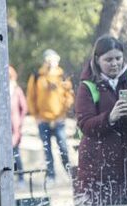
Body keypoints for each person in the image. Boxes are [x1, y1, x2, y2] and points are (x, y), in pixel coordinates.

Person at [74, 35, 127, 206]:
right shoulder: (87, 86)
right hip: (99, 168)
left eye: (118, 58)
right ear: (97, 60)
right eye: (108, 59)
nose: (114, 63)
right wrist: (110, 118)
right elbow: (85, 125)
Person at [26, 49, 75, 182]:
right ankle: (51, 175)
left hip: (59, 119)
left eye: (54, 59)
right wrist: (36, 116)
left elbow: (69, 95)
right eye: (49, 59)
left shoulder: (62, 76)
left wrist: (64, 111)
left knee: (63, 148)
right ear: (45, 60)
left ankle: (70, 174)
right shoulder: (37, 76)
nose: (51, 62)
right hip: (43, 119)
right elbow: (31, 97)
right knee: (47, 149)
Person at [9, 65, 28, 185]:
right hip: (4, 127)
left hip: (14, 126)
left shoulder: (16, 90)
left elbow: (24, 107)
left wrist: (19, 122)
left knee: (15, 152)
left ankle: (21, 178)